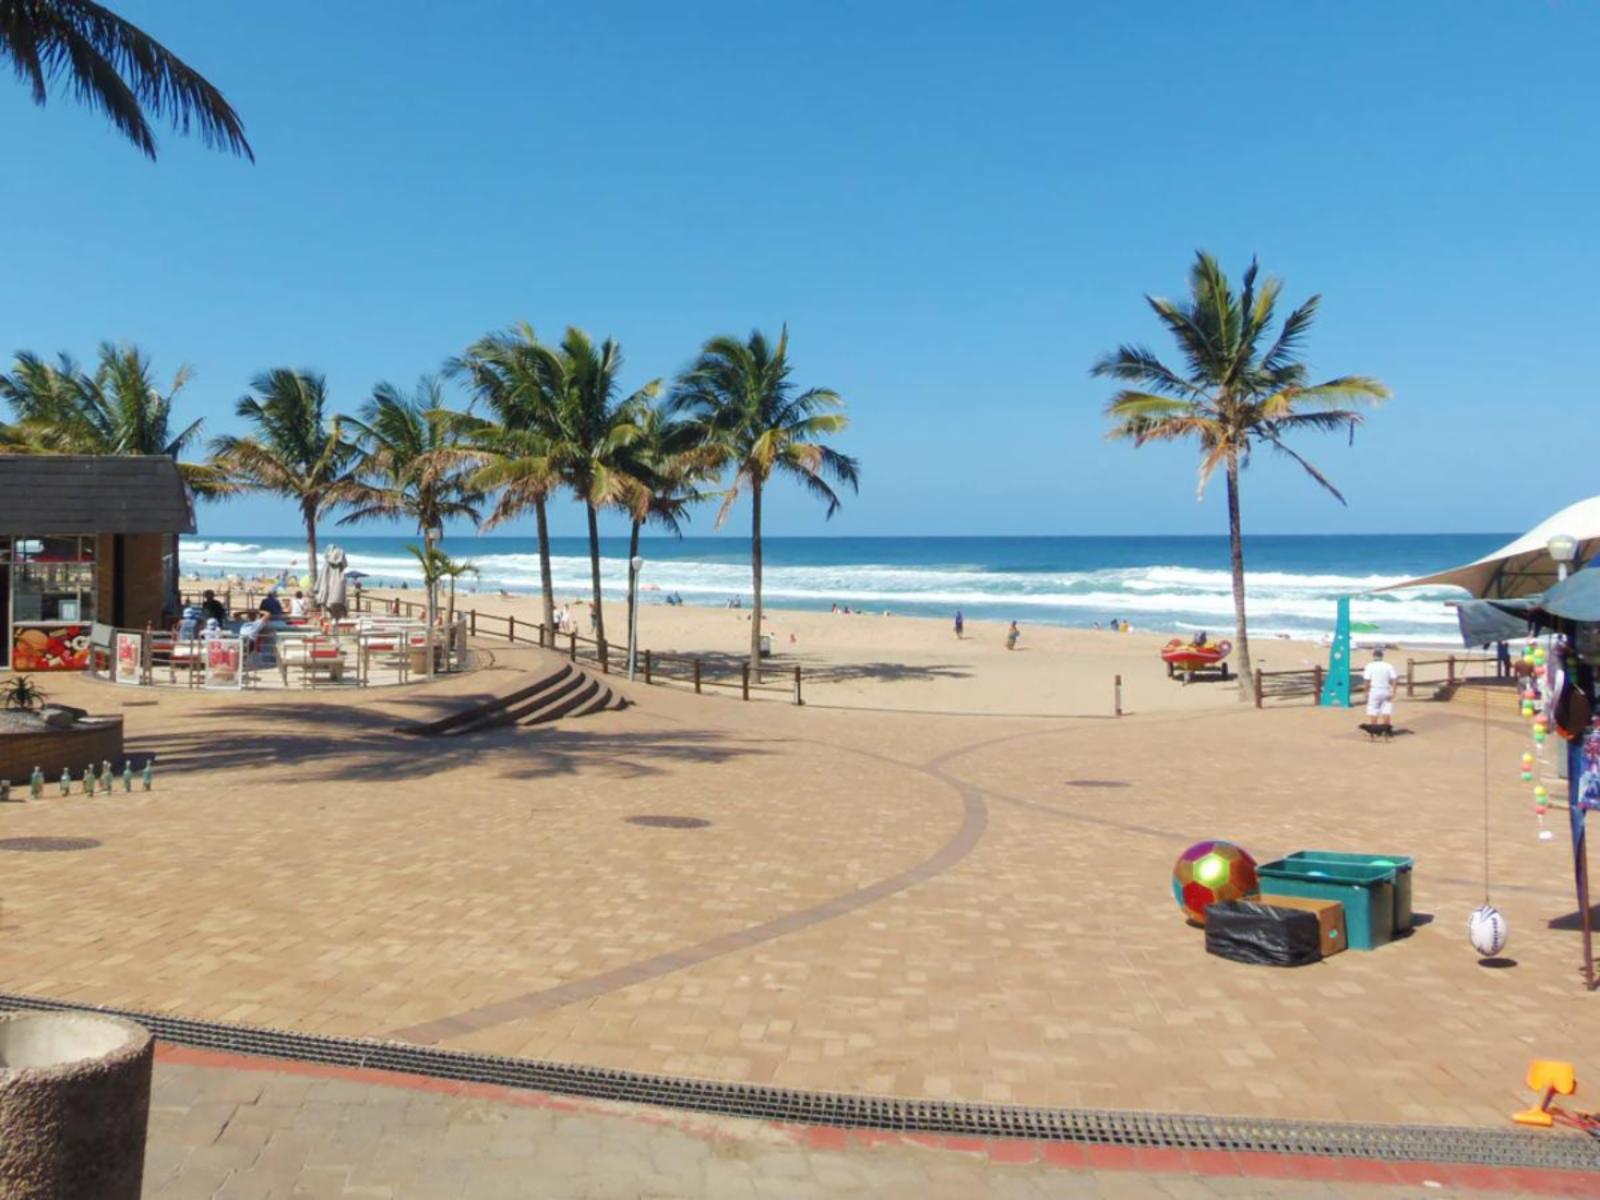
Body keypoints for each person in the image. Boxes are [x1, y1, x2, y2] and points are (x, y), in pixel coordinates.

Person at [1362, 648, 1399, 729]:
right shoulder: (1388, 665)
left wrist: (1366, 692)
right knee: (1386, 710)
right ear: (1382, 656)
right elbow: (1394, 679)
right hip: (1386, 689)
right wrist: (1394, 691)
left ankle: (1374, 729)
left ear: (1374, 656)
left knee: (1373, 710)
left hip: (1374, 690)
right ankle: (1386, 730)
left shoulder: (1370, 666)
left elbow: (1367, 680)